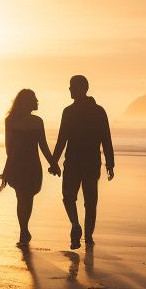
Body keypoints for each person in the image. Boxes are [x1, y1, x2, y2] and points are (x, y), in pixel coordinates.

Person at [50, 74, 114, 249]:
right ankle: (86, 234)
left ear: (82, 88)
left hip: (75, 162)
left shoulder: (72, 112)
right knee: (89, 201)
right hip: (90, 162)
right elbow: (106, 139)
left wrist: (54, 162)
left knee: (69, 197)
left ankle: (77, 226)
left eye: (72, 86)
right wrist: (110, 163)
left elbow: (62, 140)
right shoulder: (96, 111)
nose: (69, 89)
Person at [0, 89, 58, 247]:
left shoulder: (16, 121)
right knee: (25, 197)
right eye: (34, 98)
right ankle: (24, 230)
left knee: (24, 197)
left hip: (22, 164)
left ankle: (24, 229)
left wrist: (53, 163)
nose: (37, 101)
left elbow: (10, 149)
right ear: (26, 102)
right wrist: (53, 163)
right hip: (27, 164)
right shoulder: (23, 121)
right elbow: (42, 147)